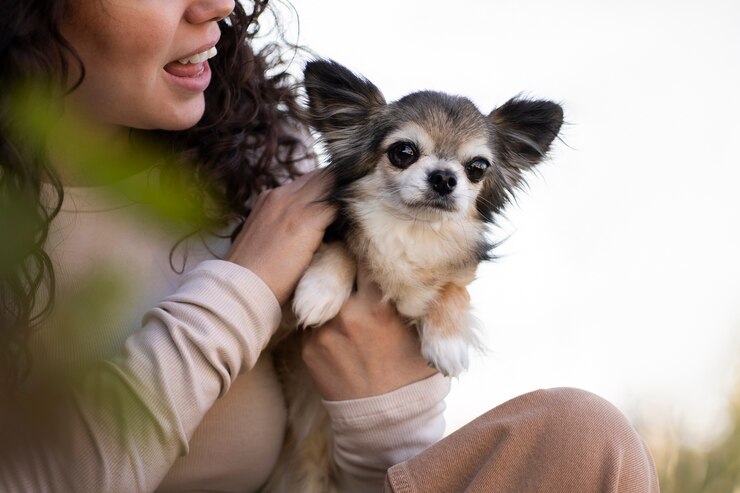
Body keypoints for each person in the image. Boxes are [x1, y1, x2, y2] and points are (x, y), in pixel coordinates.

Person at [0, 0, 659, 492]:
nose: (218, 6)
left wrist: (386, 415)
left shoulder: (261, 156)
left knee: (582, 433)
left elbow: (361, 458)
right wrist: (246, 284)